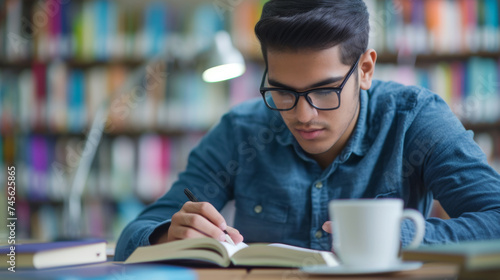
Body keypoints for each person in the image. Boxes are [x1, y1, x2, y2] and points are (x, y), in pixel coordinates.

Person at [114, 0, 500, 261]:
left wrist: (405, 237)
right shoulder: (241, 132)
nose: (303, 114)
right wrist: (167, 236)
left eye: (324, 90)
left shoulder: (415, 119)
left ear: (365, 70)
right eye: (282, 91)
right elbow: (133, 235)